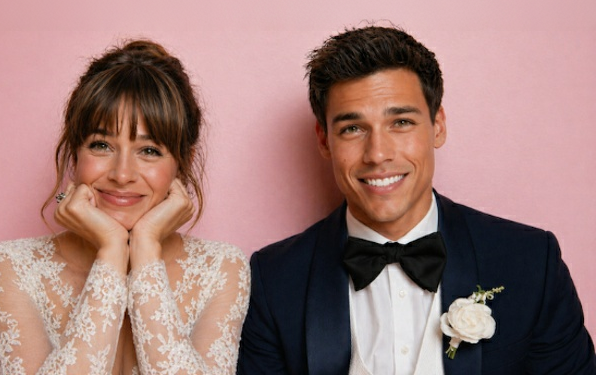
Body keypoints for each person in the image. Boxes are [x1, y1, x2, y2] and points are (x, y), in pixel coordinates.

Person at [237, 26, 596, 375]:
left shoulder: (531, 261)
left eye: (401, 122)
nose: (377, 154)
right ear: (324, 140)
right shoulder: (274, 279)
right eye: (352, 129)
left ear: (437, 125)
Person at [0, 39, 249, 375]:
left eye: (148, 150)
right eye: (101, 145)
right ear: (75, 153)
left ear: (183, 162)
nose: (122, 174)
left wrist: (146, 248)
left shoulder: (221, 269)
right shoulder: (10, 268)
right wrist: (111, 249)